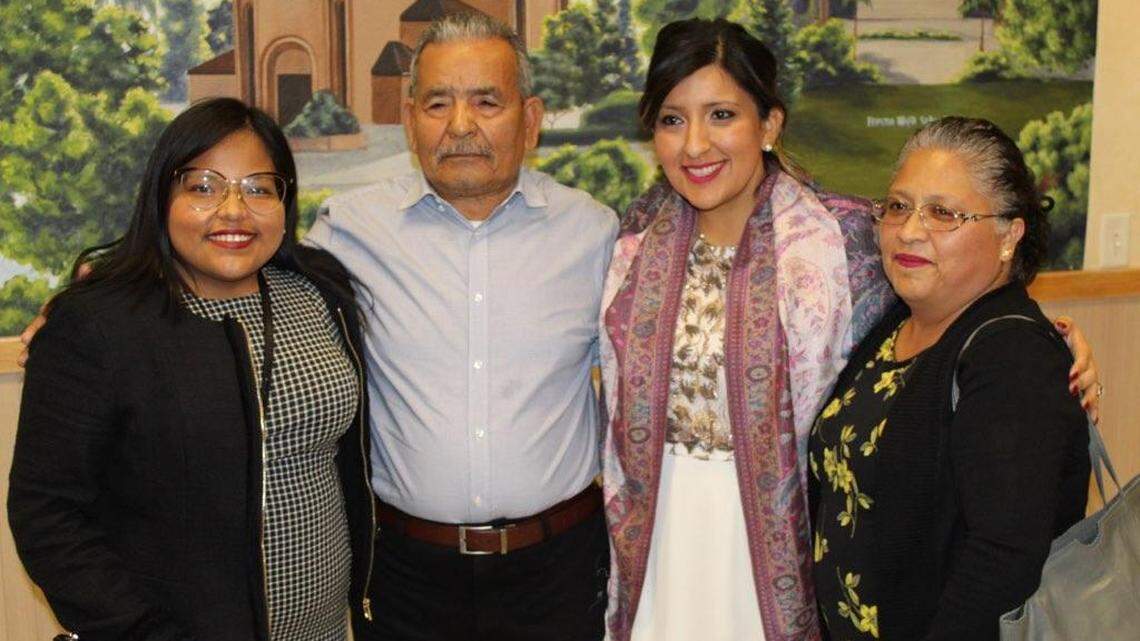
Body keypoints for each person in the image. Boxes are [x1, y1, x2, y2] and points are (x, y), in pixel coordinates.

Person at [597, 19, 1100, 641]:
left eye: (722, 114)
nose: (695, 144)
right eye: (672, 119)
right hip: (657, 538)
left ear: (770, 124)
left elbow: (962, 294)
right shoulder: (628, 249)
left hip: (781, 548)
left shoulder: (839, 241)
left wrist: (1051, 341)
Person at [299, 12, 618, 641]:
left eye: (486, 102)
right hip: (406, 575)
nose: (461, 126)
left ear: (530, 119)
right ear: (410, 117)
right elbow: (240, 288)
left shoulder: (595, 233)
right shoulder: (347, 230)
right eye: (438, 104)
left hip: (558, 568)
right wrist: (101, 297)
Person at [8, 98, 376, 641]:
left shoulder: (320, 290)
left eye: (258, 188)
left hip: (323, 629)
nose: (233, 210)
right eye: (203, 186)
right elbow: (47, 515)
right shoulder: (101, 324)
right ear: (163, 197)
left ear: (284, 200)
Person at [808, 116, 1091, 641]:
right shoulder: (899, 322)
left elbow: (1003, 560)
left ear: (1008, 236)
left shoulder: (1012, 357)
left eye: (942, 212)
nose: (910, 230)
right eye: (898, 206)